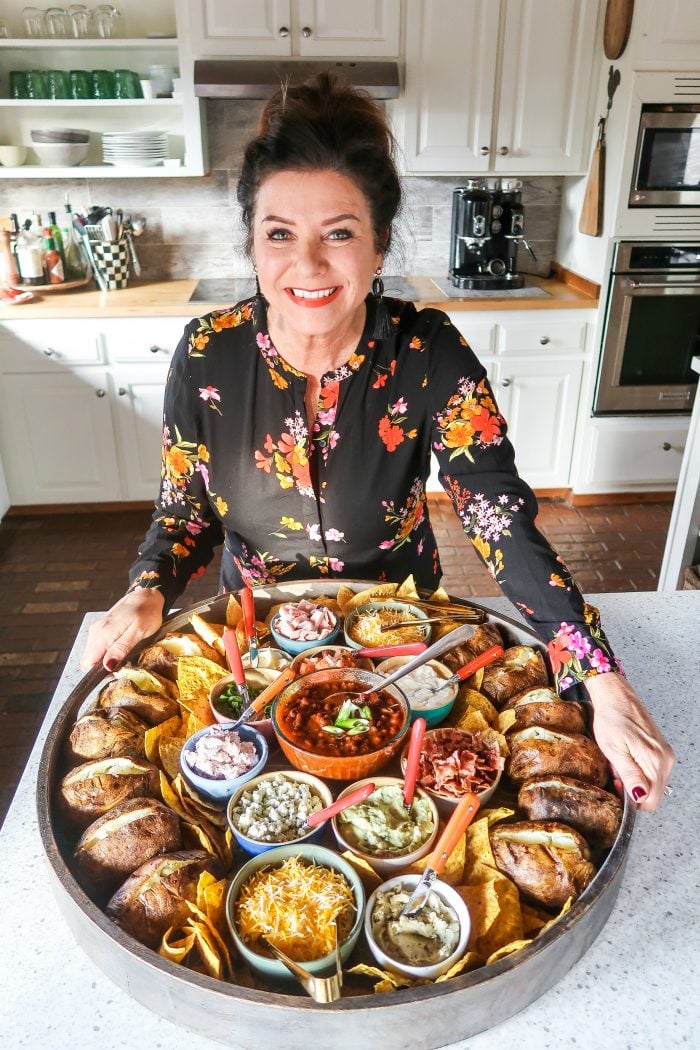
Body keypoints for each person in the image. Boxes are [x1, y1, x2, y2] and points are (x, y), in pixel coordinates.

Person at [81, 73, 674, 811]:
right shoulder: (207, 352)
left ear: (379, 243)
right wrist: (148, 588)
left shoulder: (429, 353)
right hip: (258, 653)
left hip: (407, 647)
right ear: (253, 242)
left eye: (339, 233)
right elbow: (186, 513)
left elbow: (502, 528)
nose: (307, 265)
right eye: (279, 235)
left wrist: (601, 679)